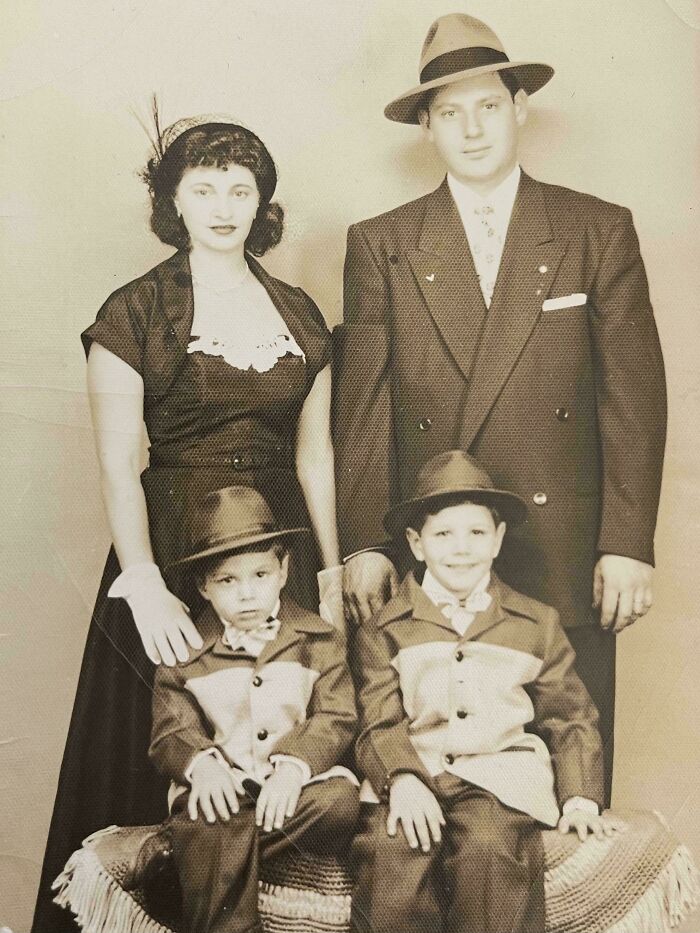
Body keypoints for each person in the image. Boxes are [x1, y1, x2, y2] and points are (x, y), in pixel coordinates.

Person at [334, 12, 667, 804]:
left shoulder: (596, 228)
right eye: (449, 112)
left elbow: (635, 398)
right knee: (429, 785)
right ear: (425, 127)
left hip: (564, 544)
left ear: (520, 107)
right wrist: (364, 543)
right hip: (433, 553)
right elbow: (364, 410)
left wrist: (627, 541)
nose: (472, 127)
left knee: (571, 780)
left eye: (488, 105)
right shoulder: (382, 241)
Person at [32, 113, 342, 933]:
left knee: (292, 754)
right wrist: (145, 587)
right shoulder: (135, 310)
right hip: (168, 556)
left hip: (281, 558)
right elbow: (114, 462)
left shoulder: (300, 314)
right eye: (204, 187)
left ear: (262, 203)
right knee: (173, 752)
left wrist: (335, 578)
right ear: (173, 199)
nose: (224, 205)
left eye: (242, 189)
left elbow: (315, 460)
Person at [350, 450, 624, 933]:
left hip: (500, 780)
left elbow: (570, 717)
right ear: (416, 543)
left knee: (492, 852)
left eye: (477, 533)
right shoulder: (384, 629)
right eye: (443, 534)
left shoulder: (536, 623)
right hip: (417, 777)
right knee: (393, 853)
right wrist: (403, 781)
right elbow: (378, 719)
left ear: (497, 539)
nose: (461, 549)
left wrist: (581, 798)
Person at [148, 485, 359, 933]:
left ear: (283, 571)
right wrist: (202, 767)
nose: (247, 594)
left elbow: (336, 716)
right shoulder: (184, 653)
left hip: (296, 791)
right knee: (205, 815)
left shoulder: (317, 639)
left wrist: (294, 766)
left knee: (340, 802)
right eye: (228, 580)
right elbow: (170, 729)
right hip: (223, 791)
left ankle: (190, 852)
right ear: (204, 585)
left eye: (260, 575)